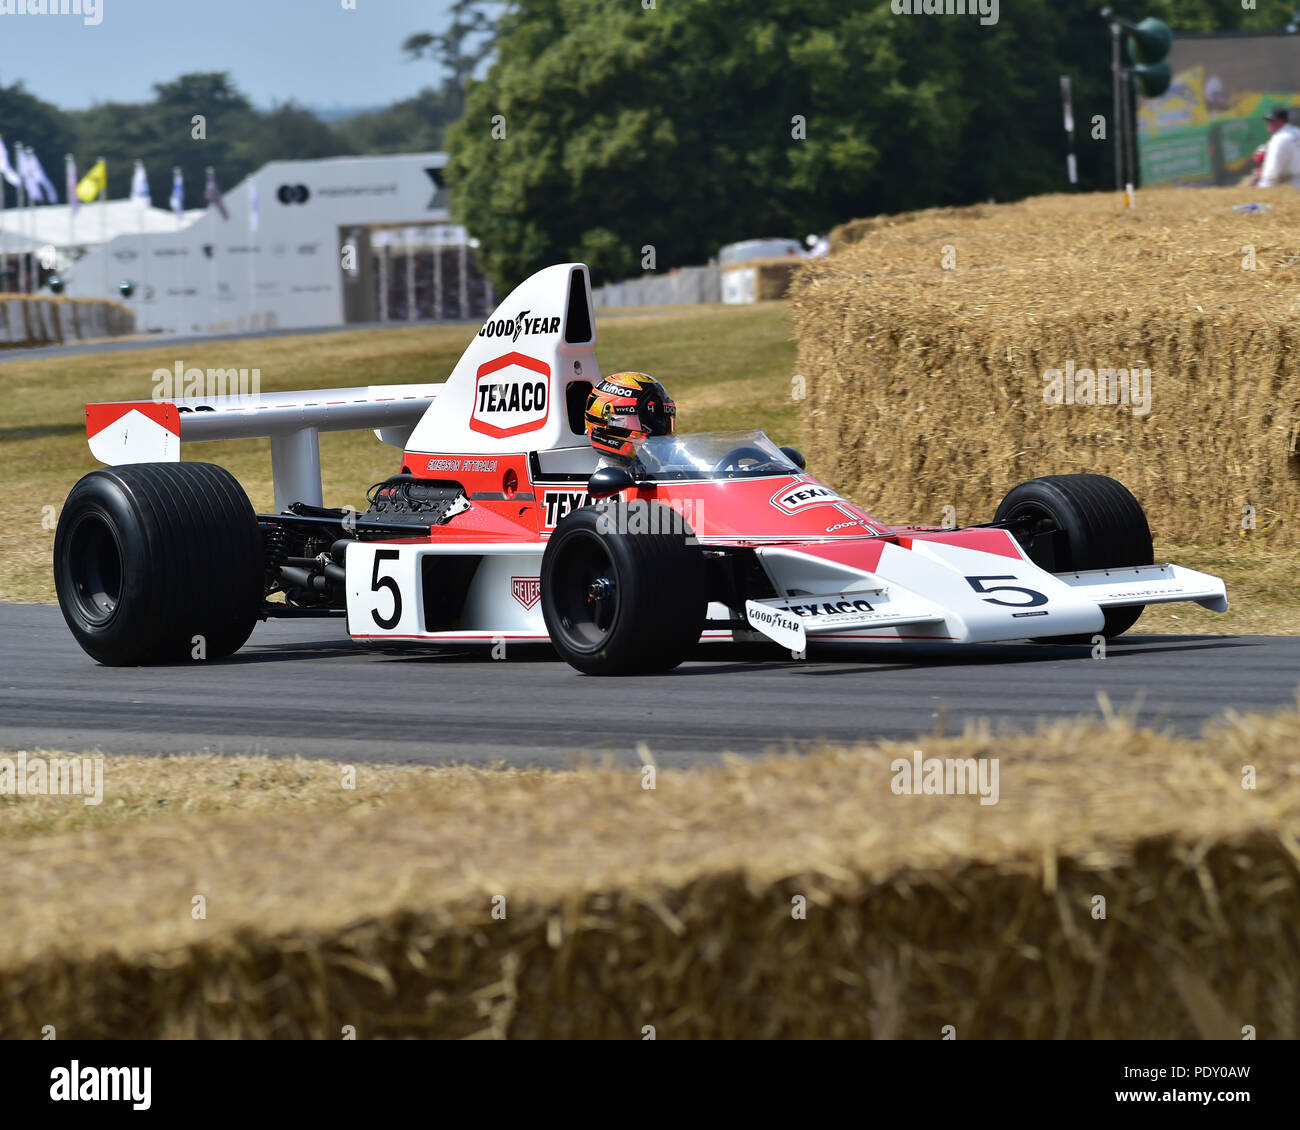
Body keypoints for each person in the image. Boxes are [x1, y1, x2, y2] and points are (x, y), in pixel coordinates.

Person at [584, 372, 676, 471]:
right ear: (613, 422)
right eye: (641, 423)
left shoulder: (651, 464)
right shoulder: (610, 478)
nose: (656, 430)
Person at [1256, 107, 1300, 188]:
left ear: (1280, 121)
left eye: (1271, 120)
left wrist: (1262, 187)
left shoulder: (1280, 138)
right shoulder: (1297, 131)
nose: (1268, 123)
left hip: (1292, 187)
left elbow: (1271, 174)